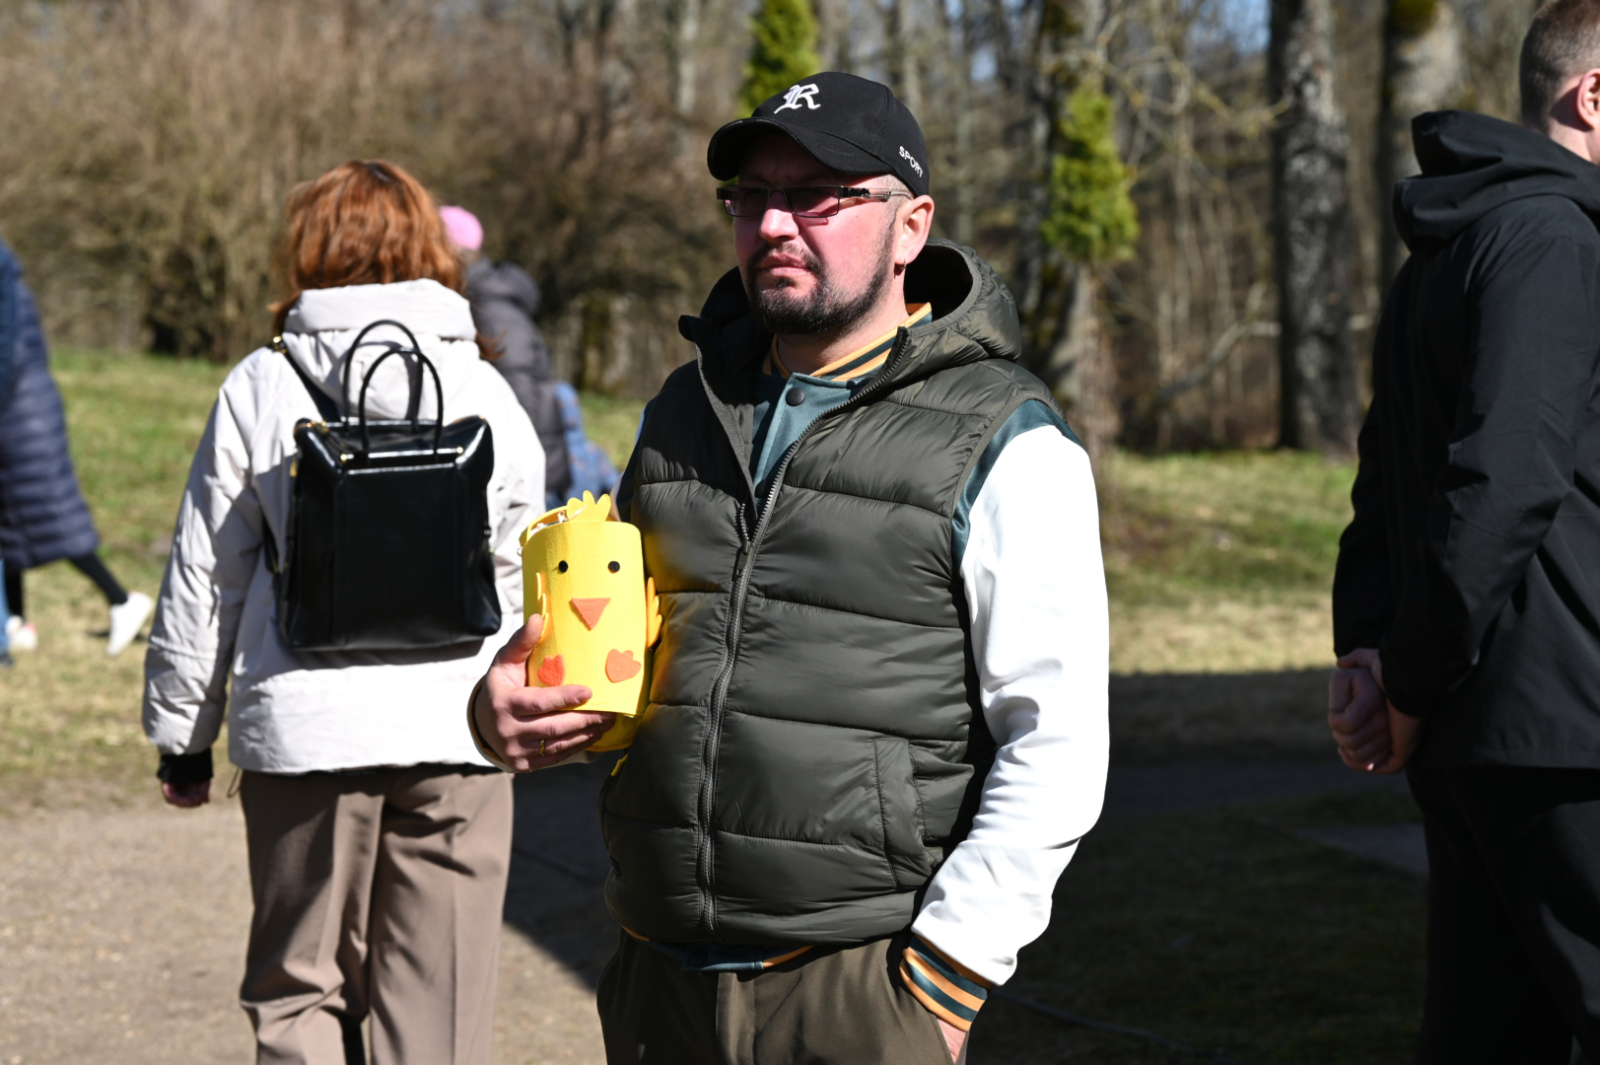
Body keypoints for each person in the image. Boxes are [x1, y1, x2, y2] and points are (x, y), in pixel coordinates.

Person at [470, 72, 1109, 1063]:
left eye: (817, 195)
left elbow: (1056, 742)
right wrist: (504, 697)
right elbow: (616, 637)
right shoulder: (682, 409)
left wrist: (945, 978)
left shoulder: (1005, 438)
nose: (773, 223)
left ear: (911, 226)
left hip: (861, 986)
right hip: (658, 978)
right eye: (751, 196)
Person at [142, 160, 543, 1065]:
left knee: (300, 991)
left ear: (310, 249)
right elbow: (524, 564)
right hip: (457, 729)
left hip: (305, 730)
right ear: (429, 249)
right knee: (437, 1008)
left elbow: (209, 575)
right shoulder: (484, 385)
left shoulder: (261, 383)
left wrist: (183, 736)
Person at [1330, 1, 1600, 1058]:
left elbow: (1379, 492)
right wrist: (1400, 674)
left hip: (1485, 732)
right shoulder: (1551, 240)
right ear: (1592, 96)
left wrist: (1377, 659)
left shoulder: (1451, 244)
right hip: (1562, 738)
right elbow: (1501, 483)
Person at [0, 239, 152, 657]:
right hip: (19, 407)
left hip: (19, 412)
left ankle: (122, 600)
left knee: (49, 516)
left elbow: (4, 352)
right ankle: (16, 621)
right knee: (10, 519)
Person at [441, 204, 573, 504]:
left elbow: (520, 389)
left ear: (452, 250)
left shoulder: (491, 307)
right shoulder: (481, 297)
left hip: (525, 480)